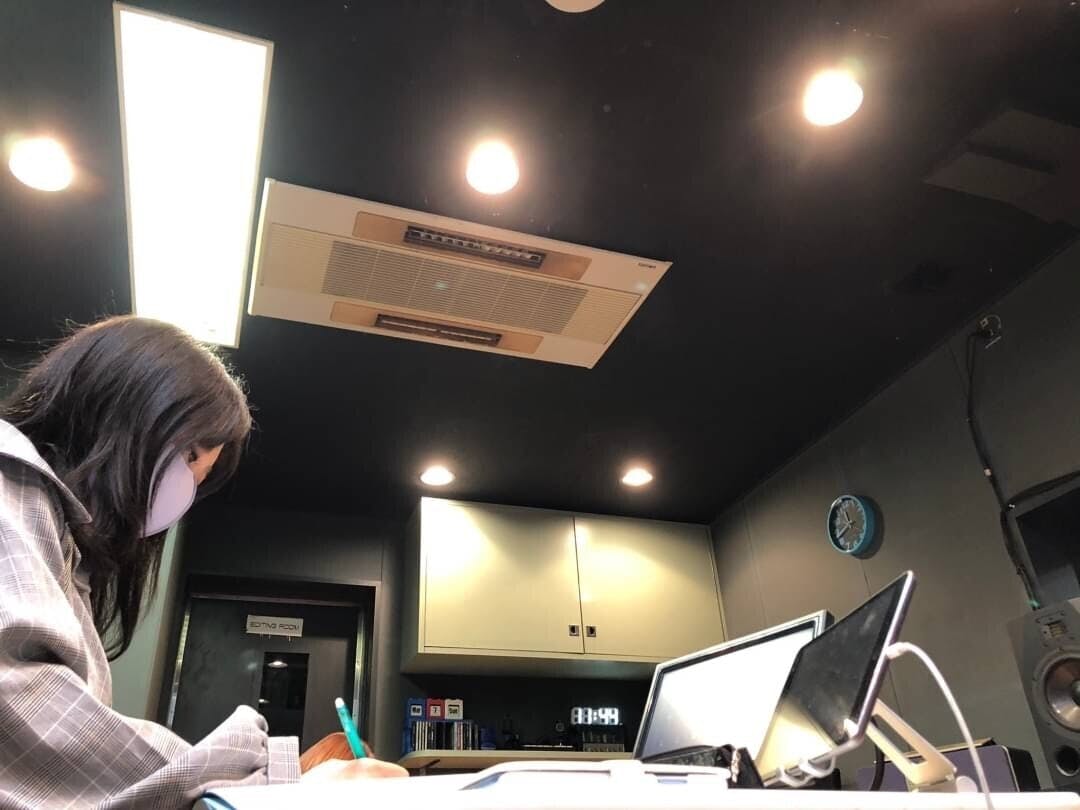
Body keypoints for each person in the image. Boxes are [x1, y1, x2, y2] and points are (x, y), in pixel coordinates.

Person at [0, 316, 407, 809]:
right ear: (125, 408)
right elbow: (24, 717)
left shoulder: (64, 548)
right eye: (190, 455)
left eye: (199, 475)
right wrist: (281, 783)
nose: (185, 488)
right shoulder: (10, 488)